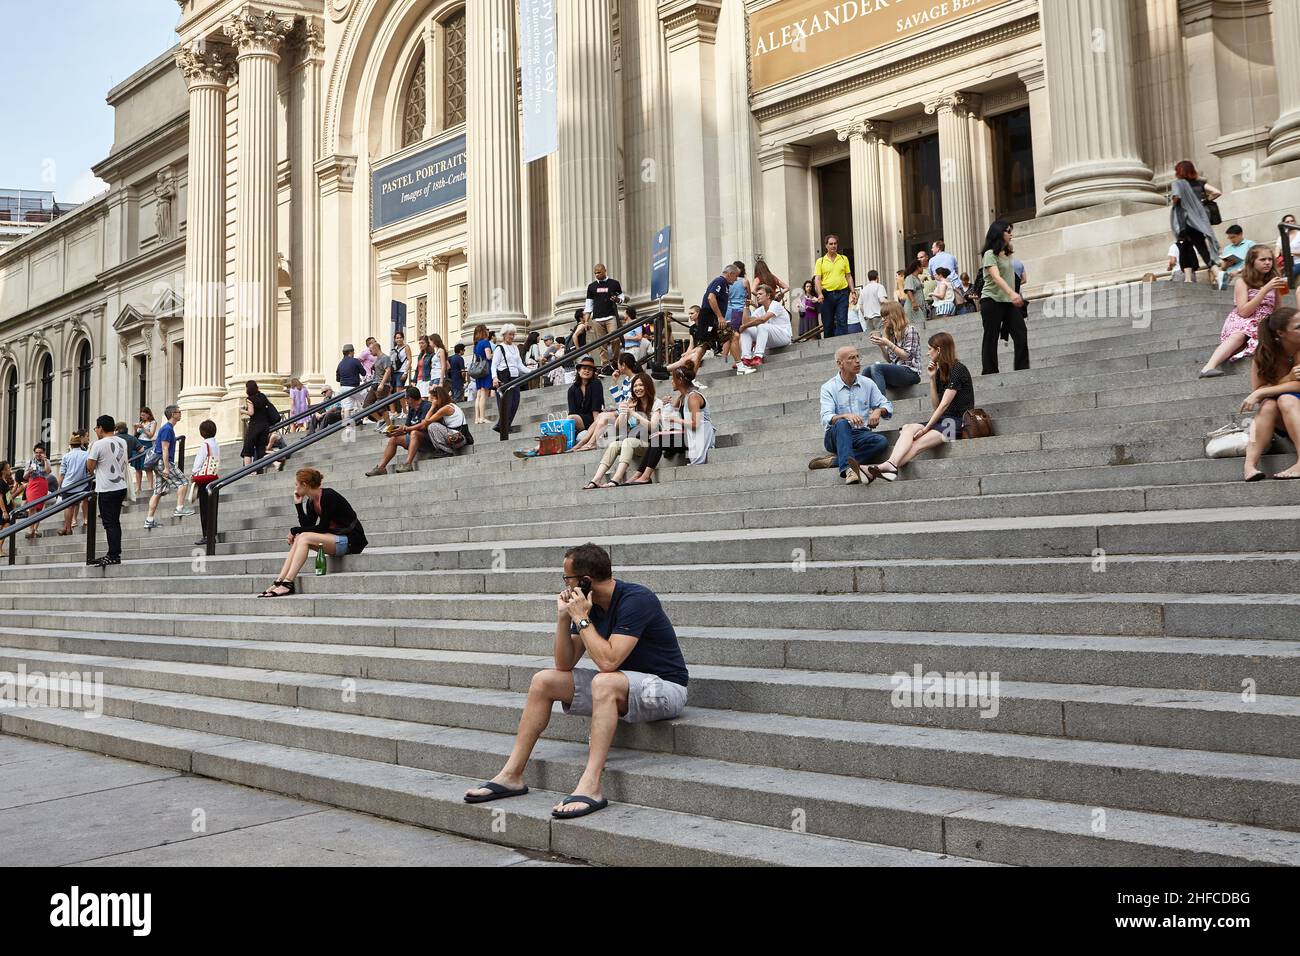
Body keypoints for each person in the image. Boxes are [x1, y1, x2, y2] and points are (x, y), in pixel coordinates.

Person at [463, 543, 688, 817]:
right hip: (622, 685)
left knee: (604, 681)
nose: (565, 585)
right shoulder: (587, 606)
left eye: (567, 579)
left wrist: (581, 619)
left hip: (664, 689)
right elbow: (564, 664)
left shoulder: (637, 599)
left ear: (585, 581)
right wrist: (563, 617)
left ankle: (591, 785)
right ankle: (512, 774)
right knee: (544, 680)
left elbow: (608, 662)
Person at [869, 331, 974, 484]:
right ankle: (890, 465)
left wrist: (926, 429)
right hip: (943, 420)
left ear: (939, 350)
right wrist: (932, 379)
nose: (927, 352)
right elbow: (936, 405)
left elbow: (943, 406)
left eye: (930, 349)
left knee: (918, 443)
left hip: (957, 424)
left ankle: (888, 466)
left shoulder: (958, 369)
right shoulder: (939, 372)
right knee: (908, 428)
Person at [257, 468, 367, 598]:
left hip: (351, 540)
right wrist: (298, 505)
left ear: (305, 484)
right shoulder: (311, 501)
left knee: (302, 537)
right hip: (336, 539)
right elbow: (307, 527)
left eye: (296, 484)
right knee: (300, 537)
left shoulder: (328, 496)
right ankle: (280, 581)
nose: (295, 488)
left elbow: (322, 528)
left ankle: (288, 583)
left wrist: (294, 530)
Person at [1199, 246, 1287, 378]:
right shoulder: (1243, 281)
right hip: (1243, 320)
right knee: (1240, 335)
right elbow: (1244, 312)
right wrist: (1264, 290)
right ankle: (1208, 367)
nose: (1267, 262)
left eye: (1270, 259)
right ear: (1252, 262)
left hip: (1264, 320)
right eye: (1262, 259)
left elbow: (1277, 310)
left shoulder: (1274, 280)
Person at [817, 346, 893, 484]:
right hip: (836, 435)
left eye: (858, 357)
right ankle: (849, 470)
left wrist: (878, 411)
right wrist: (845, 416)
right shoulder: (828, 387)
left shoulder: (867, 383)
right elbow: (826, 418)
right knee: (842, 423)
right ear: (840, 364)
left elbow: (887, 405)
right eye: (851, 358)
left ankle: (836, 461)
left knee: (881, 442)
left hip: (860, 433)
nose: (857, 361)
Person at [1240, 307, 1300, 481]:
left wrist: (1266, 390)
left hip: (1292, 405)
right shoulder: (1264, 355)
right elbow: (1259, 394)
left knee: (1285, 399)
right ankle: (1249, 465)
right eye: (1298, 327)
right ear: (1281, 333)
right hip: (1285, 418)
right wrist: (1287, 378)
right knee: (1269, 405)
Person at [583, 373, 661, 488]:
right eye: (635, 386)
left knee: (627, 442)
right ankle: (596, 479)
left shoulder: (656, 403)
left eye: (641, 385)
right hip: (635, 441)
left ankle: (616, 479)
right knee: (614, 444)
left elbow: (653, 426)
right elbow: (619, 426)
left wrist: (634, 413)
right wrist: (625, 410)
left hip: (651, 444)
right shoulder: (633, 403)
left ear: (648, 386)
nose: (637, 389)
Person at [979, 219, 1029, 375]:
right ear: (999, 233)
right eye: (1008, 231)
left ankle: (1022, 370)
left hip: (1008, 302)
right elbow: (996, 277)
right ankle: (990, 371)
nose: (1011, 234)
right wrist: (1012, 293)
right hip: (991, 300)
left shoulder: (1006, 255)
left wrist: (1014, 294)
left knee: (1021, 333)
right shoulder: (989, 254)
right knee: (991, 337)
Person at [84, 415, 129, 568]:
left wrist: (91, 451)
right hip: (120, 486)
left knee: (110, 523)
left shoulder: (98, 444)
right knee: (114, 522)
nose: (96, 430)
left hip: (106, 488)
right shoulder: (122, 441)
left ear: (101, 428)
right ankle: (114, 552)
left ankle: (113, 554)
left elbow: (89, 468)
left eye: (96, 428)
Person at [1170, 160, 1222, 285]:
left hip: (1186, 222)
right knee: (1202, 248)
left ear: (1179, 172)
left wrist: (1174, 200)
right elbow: (1217, 192)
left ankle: (1188, 279)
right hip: (1199, 222)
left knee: (1184, 247)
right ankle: (1218, 273)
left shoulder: (1178, 184)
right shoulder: (1200, 183)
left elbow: (1176, 197)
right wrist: (1202, 202)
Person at [144, 404, 192, 530]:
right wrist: (166, 467)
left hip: (159, 462)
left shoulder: (168, 428)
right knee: (183, 482)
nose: (180, 413)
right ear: (173, 414)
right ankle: (179, 508)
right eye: (178, 412)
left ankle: (149, 520)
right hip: (163, 462)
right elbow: (164, 449)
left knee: (158, 491)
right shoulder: (167, 429)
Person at [365, 387, 430, 477]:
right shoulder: (412, 409)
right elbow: (406, 428)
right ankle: (381, 468)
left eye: (406, 398)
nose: (405, 401)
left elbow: (423, 425)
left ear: (410, 398)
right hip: (414, 439)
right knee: (394, 439)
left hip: (428, 439)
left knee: (414, 432)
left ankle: (408, 464)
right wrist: (394, 432)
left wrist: (405, 429)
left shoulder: (426, 406)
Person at [866, 301, 923, 394]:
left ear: (895, 315)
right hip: (897, 372)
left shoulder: (910, 330)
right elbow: (889, 360)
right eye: (882, 317)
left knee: (876, 368)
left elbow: (906, 356)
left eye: (886, 316)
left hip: (911, 373)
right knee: (867, 371)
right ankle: (865, 404)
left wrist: (888, 343)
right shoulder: (891, 333)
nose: (883, 319)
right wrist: (881, 345)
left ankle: (881, 404)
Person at [737, 283, 793, 372]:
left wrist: (744, 326)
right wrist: (746, 306)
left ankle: (758, 357)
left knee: (762, 326)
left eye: (760, 294)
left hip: (784, 337)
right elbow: (745, 322)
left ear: (768, 295)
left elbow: (763, 320)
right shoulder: (759, 310)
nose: (757, 296)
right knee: (747, 330)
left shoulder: (775, 305)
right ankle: (746, 358)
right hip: (770, 340)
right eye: (757, 294)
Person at [418, 384, 474, 460]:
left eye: (433, 399)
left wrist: (432, 407)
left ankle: (445, 451)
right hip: (458, 437)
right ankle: (442, 450)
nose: (431, 401)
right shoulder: (450, 405)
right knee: (433, 425)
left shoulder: (446, 408)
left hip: (459, 438)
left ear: (438, 398)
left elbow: (426, 421)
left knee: (432, 426)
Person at [584, 263, 625, 365]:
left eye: (599, 272)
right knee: (601, 343)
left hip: (610, 316)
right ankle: (606, 364)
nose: (597, 274)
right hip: (597, 319)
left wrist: (617, 300)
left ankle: (615, 361)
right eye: (595, 273)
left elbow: (621, 297)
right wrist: (586, 321)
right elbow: (589, 305)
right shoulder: (591, 286)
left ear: (605, 271)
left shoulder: (614, 283)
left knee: (615, 339)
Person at [814, 235, 854, 338]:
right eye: (831, 244)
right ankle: (830, 348)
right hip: (827, 295)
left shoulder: (843, 258)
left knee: (842, 320)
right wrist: (819, 294)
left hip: (842, 294)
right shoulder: (820, 261)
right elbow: (817, 279)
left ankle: (843, 345)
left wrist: (853, 291)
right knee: (828, 323)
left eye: (835, 243)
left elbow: (848, 276)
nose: (833, 246)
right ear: (826, 246)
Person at [491, 323, 527, 436]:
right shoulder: (499, 348)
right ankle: (505, 427)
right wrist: (494, 378)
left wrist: (531, 371)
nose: (512, 337)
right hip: (504, 378)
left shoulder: (515, 348)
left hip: (515, 378)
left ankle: (501, 425)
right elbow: (493, 365)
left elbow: (520, 365)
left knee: (515, 402)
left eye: (513, 334)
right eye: (510, 334)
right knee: (507, 404)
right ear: (504, 335)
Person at [190, 419, 220, 547]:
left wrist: (193, 473)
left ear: (202, 432)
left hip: (204, 480)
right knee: (212, 508)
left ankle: (207, 535)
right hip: (214, 478)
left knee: (204, 508)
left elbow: (198, 463)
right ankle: (212, 533)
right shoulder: (216, 444)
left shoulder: (205, 445)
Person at [564, 356, 605, 444]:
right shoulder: (572, 389)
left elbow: (596, 409)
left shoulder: (596, 384)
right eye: (584, 368)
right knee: (569, 419)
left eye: (590, 369)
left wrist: (597, 429)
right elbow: (572, 411)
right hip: (579, 420)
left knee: (571, 418)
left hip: (594, 418)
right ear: (579, 371)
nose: (587, 371)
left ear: (593, 372)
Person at [241, 380, 280, 470]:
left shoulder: (250, 399)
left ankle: (248, 471)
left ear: (248, 389)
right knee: (260, 449)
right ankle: (260, 470)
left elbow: (251, 412)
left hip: (255, 426)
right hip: (265, 426)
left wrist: (242, 411)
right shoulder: (262, 396)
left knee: (248, 448)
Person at [57, 435, 90, 535]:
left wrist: (59, 487)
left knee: (68, 507)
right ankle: (82, 521)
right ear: (80, 444)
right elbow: (89, 467)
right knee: (83, 501)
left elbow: (62, 473)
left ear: (70, 445)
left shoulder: (66, 456)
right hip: (82, 484)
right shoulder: (86, 454)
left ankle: (68, 528)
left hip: (68, 485)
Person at [701, 264, 737, 355]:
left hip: (711, 316)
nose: (736, 279)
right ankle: (739, 364)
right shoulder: (720, 281)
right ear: (730, 274)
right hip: (709, 316)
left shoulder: (725, 284)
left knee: (704, 345)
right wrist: (720, 317)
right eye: (735, 276)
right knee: (732, 335)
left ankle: (721, 354)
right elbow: (711, 297)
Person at [364, 339, 395, 429]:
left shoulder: (385, 357)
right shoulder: (377, 359)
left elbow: (388, 370)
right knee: (366, 405)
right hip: (374, 384)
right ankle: (381, 420)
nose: (370, 352)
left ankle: (389, 426)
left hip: (382, 385)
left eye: (371, 350)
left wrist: (382, 384)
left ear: (376, 348)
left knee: (381, 406)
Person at [22, 444, 51, 539]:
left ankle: (36, 529)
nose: (38, 454)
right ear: (34, 453)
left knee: (39, 508)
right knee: (31, 507)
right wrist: (29, 471)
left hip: (42, 485)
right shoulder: (29, 462)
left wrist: (45, 460)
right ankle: (31, 528)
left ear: (43, 453)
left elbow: (48, 471)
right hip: (32, 485)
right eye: (36, 453)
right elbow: (24, 477)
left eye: (40, 452)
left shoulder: (47, 461)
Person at [1219, 225, 1257, 291]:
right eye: (1230, 238)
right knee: (1219, 279)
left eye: (1233, 237)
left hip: (1243, 273)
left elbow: (1254, 261)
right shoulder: (1227, 248)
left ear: (1241, 234)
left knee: (1235, 282)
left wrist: (1238, 271)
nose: (1232, 240)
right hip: (1228, 275)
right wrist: (1226, 265)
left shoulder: (1250, 244)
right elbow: (1223, 268)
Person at [336, 344, 366, 419]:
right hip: (353, 387)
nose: (354, 353)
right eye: (353, 352)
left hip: (343, 388)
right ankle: (366, 418)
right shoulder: (355, 361)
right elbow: (364, 373)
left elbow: (337, 379)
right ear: (350, 352)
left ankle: (348, 428)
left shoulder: (340, 364)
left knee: (347, 408)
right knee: (366, 400)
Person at [132, 407, 157, 498]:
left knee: (147, 466)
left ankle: (150, 486)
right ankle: (138, 487)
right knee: (138, 467)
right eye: (141, 415)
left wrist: (143, 428)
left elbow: (151, 435)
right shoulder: (141, 423)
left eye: (143, 415)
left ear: (148, 414)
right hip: (138, 443)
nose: (142, 417)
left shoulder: (152, 422)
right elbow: (135, 435)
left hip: (147, 443)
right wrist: (135, 429)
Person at [472, 324, 494, 425]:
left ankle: (477, 418)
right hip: (485, 370)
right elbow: (489, 357)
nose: (488, 331)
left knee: (479, 395)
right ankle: (482, 417)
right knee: (484, 394)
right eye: (487, 330)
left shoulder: (476, 345)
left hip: (478, 371)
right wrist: (496, 353)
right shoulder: (485, 342)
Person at [902, 257, 928, 327]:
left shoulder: (917, 278)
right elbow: (909, 290)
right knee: (916, 325)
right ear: (917, 267)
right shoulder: (909, 277)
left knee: (922, 325)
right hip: (913, 307)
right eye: (922, 267)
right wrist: (913, 302)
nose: (923, 269)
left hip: (919, 307)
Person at [1276, 214, 1300, 279]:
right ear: (1284, 224)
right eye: (1287, 222)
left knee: (1288, 273)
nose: (1290, 223)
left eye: (1292, 221)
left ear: (1295, 222)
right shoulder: (1281, 237)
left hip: (1298, 262)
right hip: (1286, 263)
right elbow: (1277, 252)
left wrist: (1289, 252)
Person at [0, 461, 14, 558]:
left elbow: (8, 496)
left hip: (7, 509)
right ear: (3, 470)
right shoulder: (0, 481)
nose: (10, 470)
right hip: (3, 510)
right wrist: (4, 511)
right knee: (5, 528)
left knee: (3, 529)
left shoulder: (5, 481)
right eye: (8, 468)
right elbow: (0, 497)